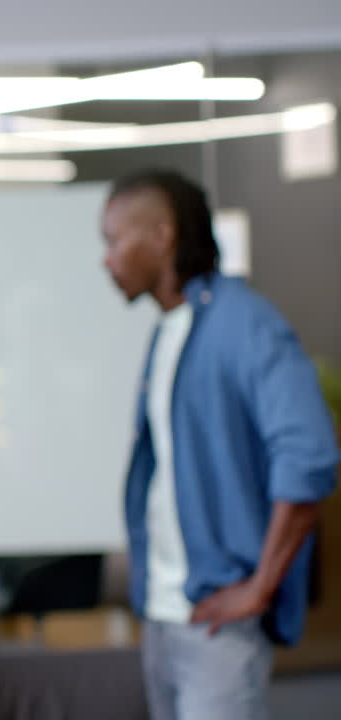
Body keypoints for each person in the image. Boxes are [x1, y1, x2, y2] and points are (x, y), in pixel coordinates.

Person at [100, 168, 339, 720]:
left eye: (114, 240)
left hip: (218, 619)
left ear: (161, 237)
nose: (106, 259)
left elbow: (309, 458)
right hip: (163, 613)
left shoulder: (245, 324)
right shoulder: (170, 328)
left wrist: (258, 588)